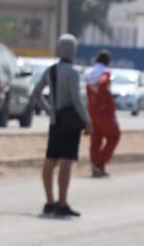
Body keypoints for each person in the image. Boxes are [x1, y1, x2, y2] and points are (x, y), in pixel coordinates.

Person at [23, 34, 93, 218]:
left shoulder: (50, 71)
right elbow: (76, 100)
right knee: (65, 162)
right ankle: (62, 203)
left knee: (50, 162)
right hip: (70, 124)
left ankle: (50, 201)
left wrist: (49, 110)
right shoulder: (73, 72)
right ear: (73, 50)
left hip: (55, 123)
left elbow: (35, 94)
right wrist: (87, 121)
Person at [84, 50, 121, 178]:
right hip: (104, 111)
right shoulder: (105, 72)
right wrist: (102, 94)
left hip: (92, 111)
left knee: (96, 139)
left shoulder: (90, 72)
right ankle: (100, 163)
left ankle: (95, 165)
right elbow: (103, 82)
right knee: (114, 136)